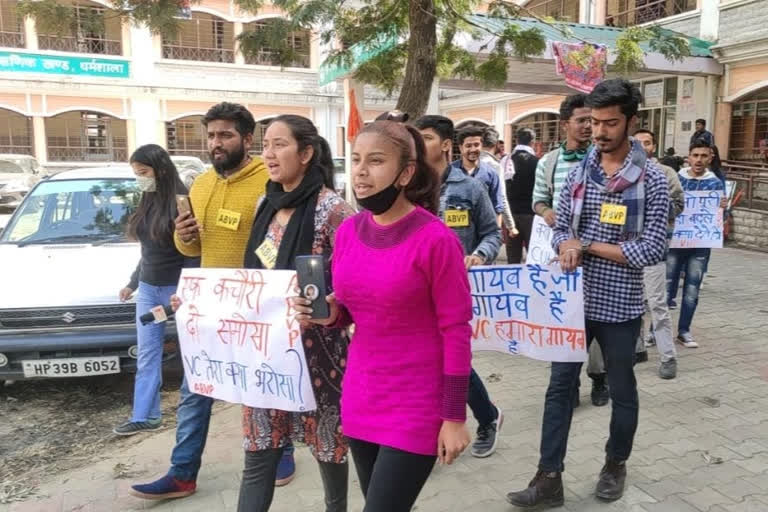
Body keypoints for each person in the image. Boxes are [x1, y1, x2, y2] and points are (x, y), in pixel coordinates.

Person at [507, 79, 669, 507]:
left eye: (609, 123)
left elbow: (653, 247)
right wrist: (564, 243)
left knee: (622, 390)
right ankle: (548, 478)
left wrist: (589, 247)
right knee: (559, 389)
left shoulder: (650, 179)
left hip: (619, 306)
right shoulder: (580, 170)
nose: (598, 132)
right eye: (594, 122)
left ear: (631, 122)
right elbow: (562, 225)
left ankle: (615, 464)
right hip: (571, 303)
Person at [297, 120, 472, 512]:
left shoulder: (436, 240)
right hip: (361, 395)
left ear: (406, 172)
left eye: (375, 161)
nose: (360, 171)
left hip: (417, 402)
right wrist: (330, 315)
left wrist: (454, 416)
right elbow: (352, 309)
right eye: (356, 159)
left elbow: (456, 331)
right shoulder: (348, 233)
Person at [130, 102, 271, 500]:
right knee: (195, 391)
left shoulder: (267, 183)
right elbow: (190, 245)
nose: (216, 143)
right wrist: (184, 233)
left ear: (247, 138)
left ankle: (281, 454)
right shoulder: (202, 184)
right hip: (207, 307)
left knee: (259, 391)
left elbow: (275, 245)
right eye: (211, 135)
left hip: (254, 308)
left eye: (225, 135)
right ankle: (182, 472)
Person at [226, 115, 352, 511]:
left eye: (280, 144)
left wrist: (330, 304)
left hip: (320, 353)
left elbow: (353, 282)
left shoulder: (333, 210)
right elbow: (253, 273)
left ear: (307, 152)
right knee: (259, 448)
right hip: (266, 352)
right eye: (266, 145)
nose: (269, 154)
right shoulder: (265, 202)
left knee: (328, 448)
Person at [415, 114, 504, 458]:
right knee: (431, 359)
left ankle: (486, 417)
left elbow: (492, 233)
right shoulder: (408, 187)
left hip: (454, 292)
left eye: (426, 138)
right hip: (416, 290)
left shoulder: (469, 188)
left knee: (451, 358)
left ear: (446, 144)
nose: (418, 145)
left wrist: (480, 255)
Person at [531, 93, 608, 408]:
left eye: (592, 120)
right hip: (561, 256)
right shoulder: (548, 163)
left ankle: (600, 378)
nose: (589, 126)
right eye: (582, 120)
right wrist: (546, 211)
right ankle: (567, 383)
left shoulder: (605, 158)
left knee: (599, 320)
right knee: (565, 319)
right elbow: (537, 200)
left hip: (600, 253)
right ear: (565, 124)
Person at [113, 144, 188, 436]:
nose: (139, 179)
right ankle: (144, 415)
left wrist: (186, 287)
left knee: (191, 353)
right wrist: (132, 282)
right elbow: (147, 250)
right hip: (148, 289)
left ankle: (191, 412)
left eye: (143, 172)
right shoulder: (147, 199)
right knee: (147, 354)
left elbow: (193, 250)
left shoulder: (183, 201)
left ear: (161, 169)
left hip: (176, 290)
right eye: (136, 174)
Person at [633, 129, 684, 379]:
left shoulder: (666, 174)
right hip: (626, 252)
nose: (642, 146)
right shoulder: (623, 174)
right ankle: (638, 348)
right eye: (638, 142)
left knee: (657, 303)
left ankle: (668, 357)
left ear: (654, 146)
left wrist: (652, 204)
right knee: (633, 304)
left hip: (654, 250)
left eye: (647, 142)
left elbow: (678, 205)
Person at [666, 141, 726, 349]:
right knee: (666, 288)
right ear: (688, 157)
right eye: (695, 155)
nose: (699, 160)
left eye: (703, 156)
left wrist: (722, 209)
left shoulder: (716, 183)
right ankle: (657, 332)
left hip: (700, 244)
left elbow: (719, 218)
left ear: (710, 158)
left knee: (692, 289)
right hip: (675, 241)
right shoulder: (677, 178)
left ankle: (684, 331)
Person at [454, 126, 506, 227]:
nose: (473, 149)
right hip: (455, 235)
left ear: (481, 146)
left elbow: (498, 207)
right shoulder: (449, 172)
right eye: (468, 145)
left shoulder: (491, 174)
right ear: (461, 148)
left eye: (476, 145)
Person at [503, 128, 539, 264]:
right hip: (531, 215)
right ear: (533, 142)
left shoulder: (505, 160)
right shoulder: (538, 162)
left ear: (516, 140)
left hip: (510, 216)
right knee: (534, 256)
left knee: (512, 258)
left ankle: (512, 284)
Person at [480, 126, 518, 240]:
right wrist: (511, 226)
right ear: (496, 144)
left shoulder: (468, 163)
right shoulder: (494, 166)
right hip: (487, 219)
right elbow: (501, 197)